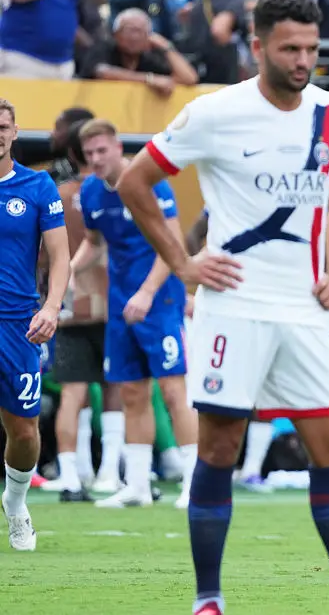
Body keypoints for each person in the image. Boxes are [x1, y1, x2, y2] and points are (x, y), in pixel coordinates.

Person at [114, 0, 329, 615]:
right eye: (290, 48)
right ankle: (208, 601)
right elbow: (135, 182)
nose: (303, 60)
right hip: (234, 306)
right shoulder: (215, 112)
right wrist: (183, 264)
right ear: (257, 46)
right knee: (219, 450)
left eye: (311, 48)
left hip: (304, 310)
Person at [73, 119, 198, 511]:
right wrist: (68, 273)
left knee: (174, 391)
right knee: (131, 392)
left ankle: (196, 483)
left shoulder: (150, 183)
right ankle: (139, 485)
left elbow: (173, 244)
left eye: (102, 150)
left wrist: (146, 292)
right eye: (89, 153)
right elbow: (94, 242)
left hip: (160, 300)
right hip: (121, 303)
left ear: (117, 147)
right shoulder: (91, 190)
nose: (96, 159)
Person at [44, 115, 127, 501]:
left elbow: (43, 254)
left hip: (70, 303)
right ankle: (109, 473)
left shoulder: (57, 195)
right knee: (115, 389)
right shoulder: (115, 189)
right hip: (113, 301)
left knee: (73, 393)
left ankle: (72, 476)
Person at [0, 97, 71, 550]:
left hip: (17, 324)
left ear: (13, 132)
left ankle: (16, 501)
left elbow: (60, 256)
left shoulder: (37, 185)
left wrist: (51, 307)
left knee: (24, 429)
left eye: (1, 127)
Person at [184, 206, 277, 493]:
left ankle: (251, 470)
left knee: (264, 390)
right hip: (227, 307)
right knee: (213, 389)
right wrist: (198, 274)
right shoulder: (225, 199)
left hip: (271, 304)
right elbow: (193, 235)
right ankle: (202, 469)